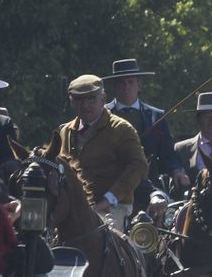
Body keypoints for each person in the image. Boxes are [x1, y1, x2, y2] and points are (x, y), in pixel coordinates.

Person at [43, 73, 148, 231]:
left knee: (103, 236)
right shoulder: (64, 132)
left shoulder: (121, 129)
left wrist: (109, 199)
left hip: (113, 207)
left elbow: (139, 166)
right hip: (70, 209)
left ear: (103, 99)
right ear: (71, 102)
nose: (85, 105)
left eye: (91, 98)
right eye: (79, 99)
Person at [106, 58, 177, 210]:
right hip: (110, 187)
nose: (126, 87)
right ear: (114, 86)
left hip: (150, 187)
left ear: (139, 85)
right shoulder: (101, 115)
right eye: (121, 82)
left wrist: (178, 171)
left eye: (130, 82)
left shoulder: (157, 117)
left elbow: (168, 154)